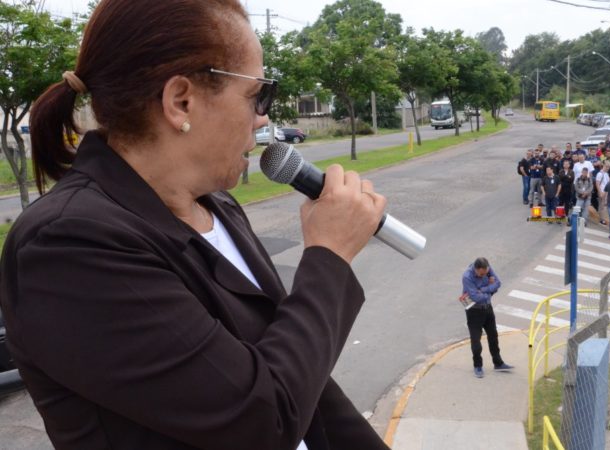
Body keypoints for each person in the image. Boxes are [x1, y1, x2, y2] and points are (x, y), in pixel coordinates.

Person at [0, 1, 390, 448]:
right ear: (181, 101)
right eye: (257, 94)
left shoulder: (217, 206)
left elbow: (306, 379)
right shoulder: (65, 247)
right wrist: (329, 256)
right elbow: (262, 422)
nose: (264, 117)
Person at [461, 258, 513, 378]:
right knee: (476, 341)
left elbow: (498, 283)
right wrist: (490, 287)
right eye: (481, 274)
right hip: (474, 311)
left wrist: (483, 290)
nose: (484, 275)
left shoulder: (487, 269)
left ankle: (498, 363)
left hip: (487, 308)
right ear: (476, 269)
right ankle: (478, 365)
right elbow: (475, 297)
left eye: (486, 273)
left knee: (493, 336)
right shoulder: (467, 277)